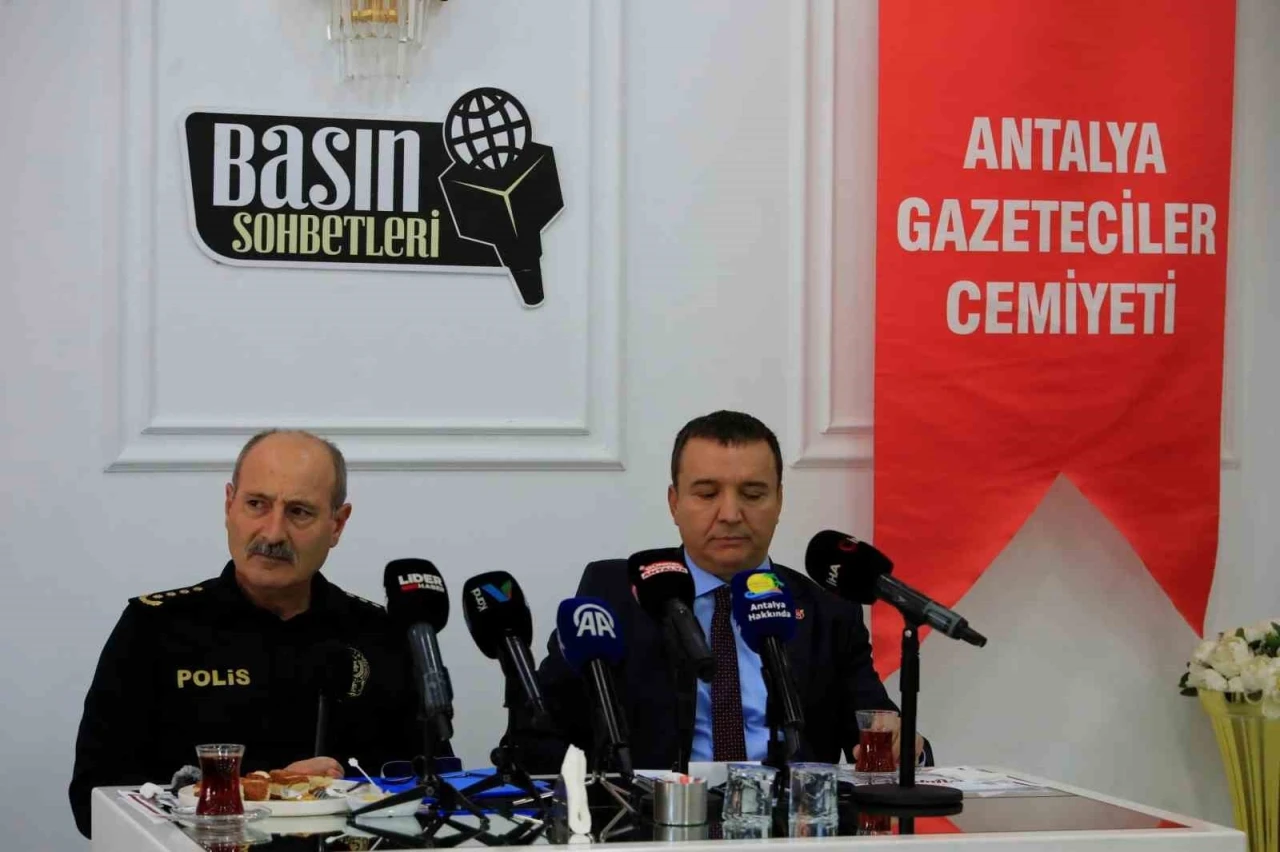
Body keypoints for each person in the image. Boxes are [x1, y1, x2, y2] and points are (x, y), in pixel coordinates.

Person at [522, 410, 928, 772]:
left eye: (752, 494)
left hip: (787, 822)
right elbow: (539, 735)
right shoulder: (616, 594)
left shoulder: (826, 609)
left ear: (779, 500)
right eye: (707, 494)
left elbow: (878, 730)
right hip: (652, 819)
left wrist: (904, 746)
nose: (731, 514)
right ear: (674, 503)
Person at [68, 430, 417, 838]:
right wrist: (269, 791)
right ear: (229, 505)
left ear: (337, 524)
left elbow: (427, 791)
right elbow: (93, 805)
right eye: (256, 504)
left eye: (299, 512)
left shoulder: (379, 634)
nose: (273, 534)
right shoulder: (155, 628)